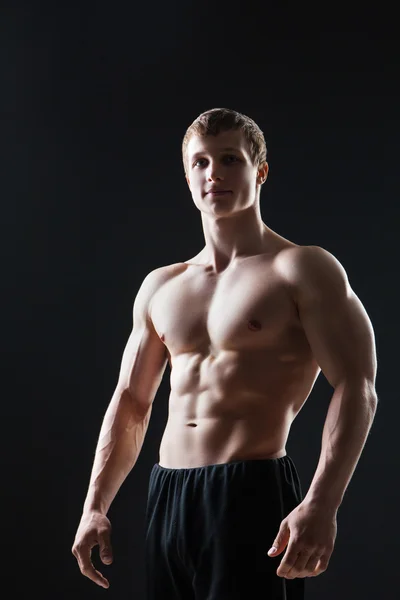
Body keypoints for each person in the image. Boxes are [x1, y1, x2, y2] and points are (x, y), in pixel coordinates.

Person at [72, 108, 378, 599]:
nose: (214, 173)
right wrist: (95, 505)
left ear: (260, 171)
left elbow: (358, 386)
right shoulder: (162, 286)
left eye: (230, 159)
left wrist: (322, 505)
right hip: (168, 495)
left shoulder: (301, 269)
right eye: (200, 162)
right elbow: (131, 400)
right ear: (187, 174)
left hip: (250, 494)